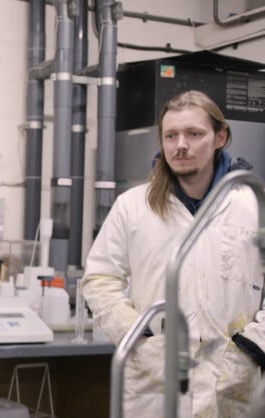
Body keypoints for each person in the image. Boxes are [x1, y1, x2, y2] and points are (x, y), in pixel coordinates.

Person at [82, 90, 265, 417]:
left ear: (220, 137)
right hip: (154, 381)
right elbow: (99, 279)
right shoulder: (133, 206)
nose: (181, 144)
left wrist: (252, 348)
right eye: (171, 135)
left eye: (194, 134)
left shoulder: (252, 206)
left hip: (233, 384)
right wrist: (139, 335)